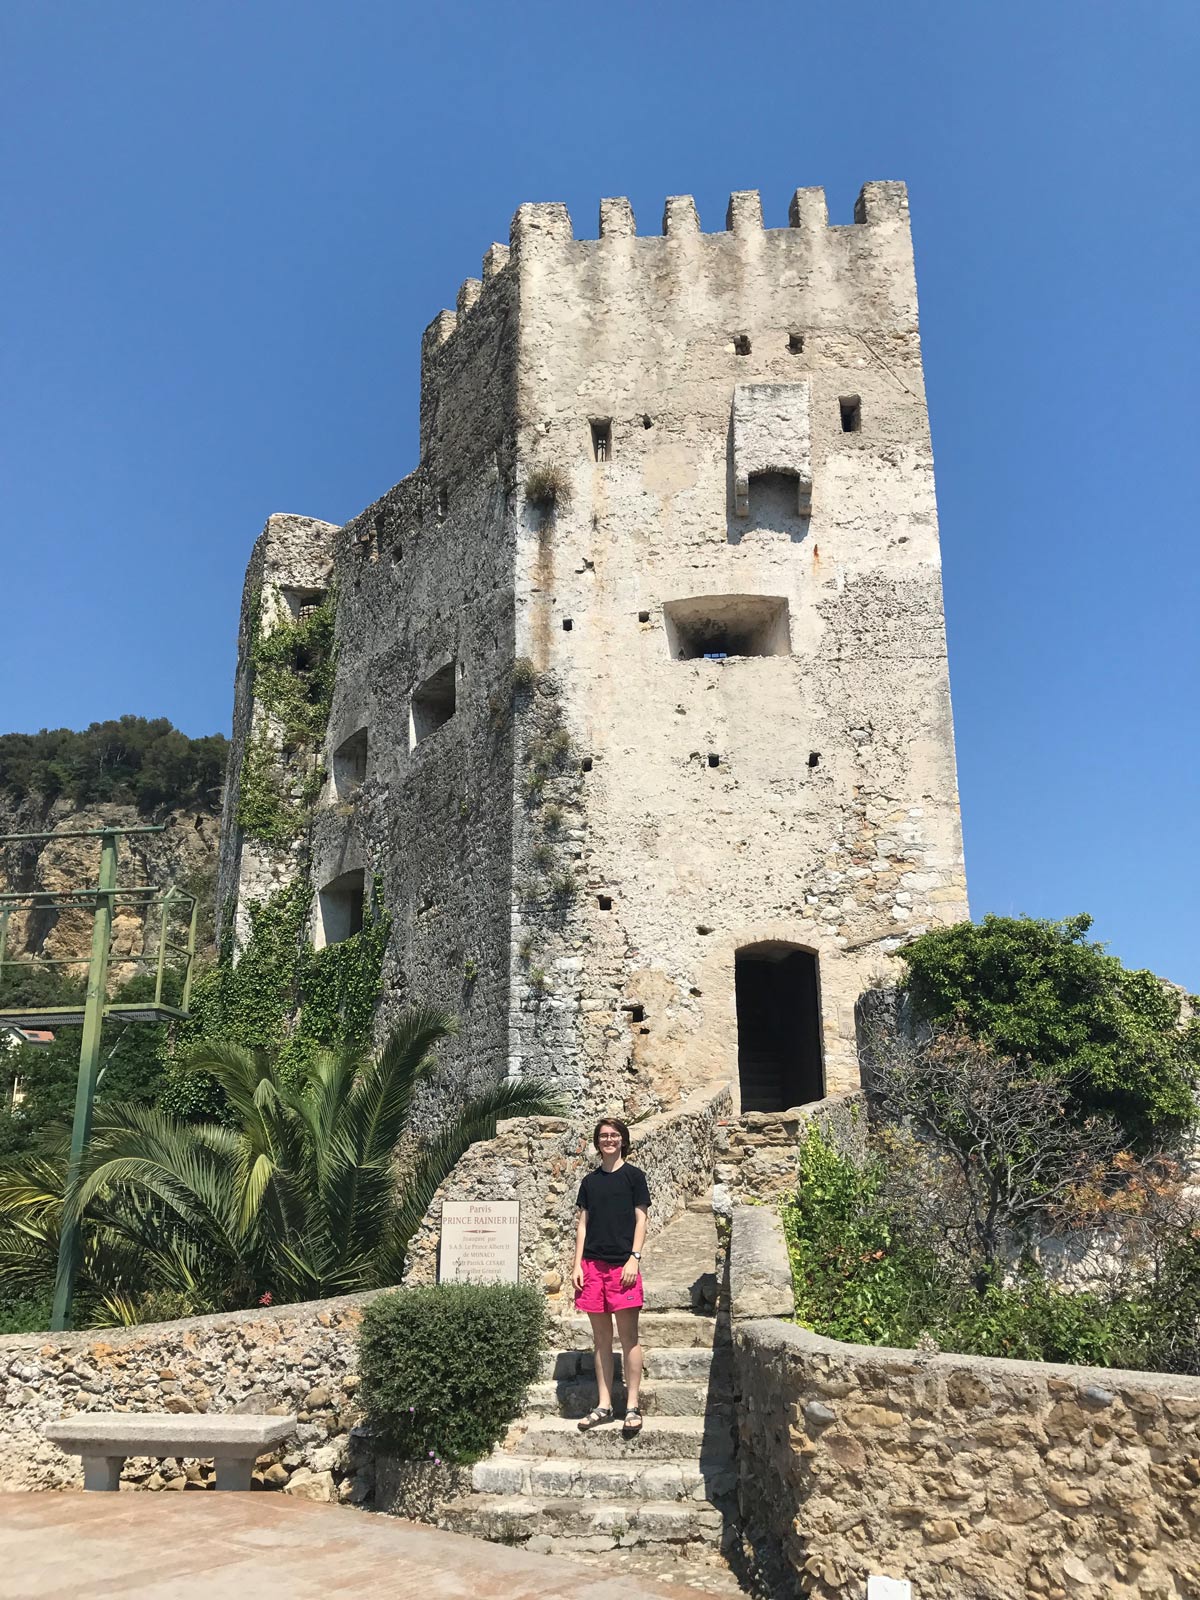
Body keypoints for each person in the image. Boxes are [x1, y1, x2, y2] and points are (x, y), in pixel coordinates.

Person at [572, 1115, 650, 1437]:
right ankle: (604, 1405)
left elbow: (641, 1220)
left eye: (614, 1135)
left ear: (623, 1140)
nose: (609, 1140)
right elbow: (582, 1225)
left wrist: (634, 1258)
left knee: (629, 1338)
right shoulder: (589, 1183)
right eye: (603, 1135)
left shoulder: (634, 1177)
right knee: (601, 1339)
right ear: (597, 1142)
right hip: (592, 1267)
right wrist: (576, 1264)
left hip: (623, 1268)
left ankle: (632, 1405)